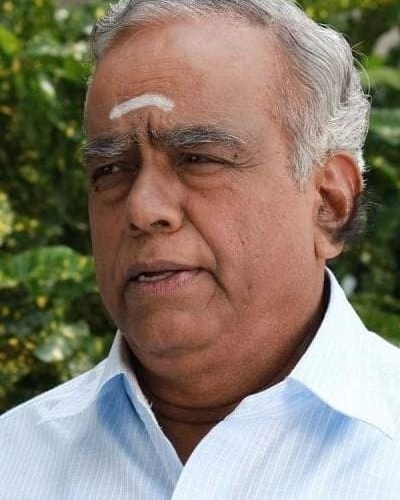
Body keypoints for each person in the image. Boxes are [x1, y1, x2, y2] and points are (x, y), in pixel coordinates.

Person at [1, 0, 400, 498]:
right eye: (111, 169)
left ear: (329, 203)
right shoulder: (14, 463)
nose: (142, 209)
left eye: (198, 158)